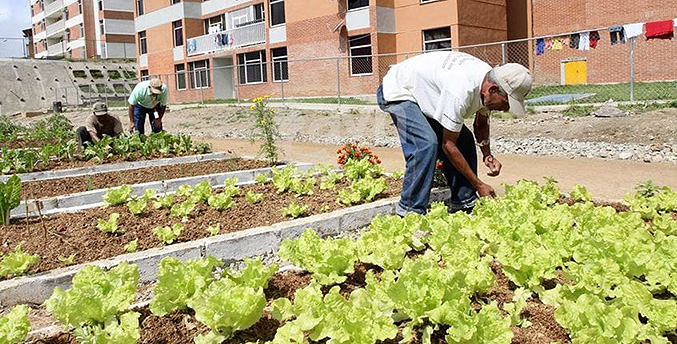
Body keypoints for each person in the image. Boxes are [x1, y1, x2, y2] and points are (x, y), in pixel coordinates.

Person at [377, 51, 533, 215]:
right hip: (399, 90)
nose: (506, 109)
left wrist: (487, 154)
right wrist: (479, 184)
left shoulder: (488, 80)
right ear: (493, 90)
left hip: (425, 93)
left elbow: (480, 123)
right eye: (506, 102)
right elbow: (448, 146)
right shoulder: (460, 90)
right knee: (426, 144)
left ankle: (463, 202)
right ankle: (409, 212)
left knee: (464, 139)